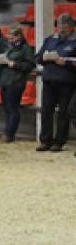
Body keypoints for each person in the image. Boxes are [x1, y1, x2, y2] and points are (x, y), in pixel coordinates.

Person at [34, 13, 76, 152]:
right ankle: (45, 140)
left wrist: (66, 63)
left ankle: (59, 141)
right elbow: (38, 58)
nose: (61, 30)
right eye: (59, 27)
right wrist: (45, 58)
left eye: (64, 27)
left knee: (63, 113)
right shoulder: (50, 39)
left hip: (67, 81)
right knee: (46, 111)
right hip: (49, 80)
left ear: (71, 27)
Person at [0, 25, 35, 143]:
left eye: (12, 38)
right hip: (5, 80)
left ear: (18, 36)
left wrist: (15, 65)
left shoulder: (26, 48)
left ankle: (9, 133)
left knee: (13, 108)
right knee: (7, 108)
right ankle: (8, 132)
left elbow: (30, 65)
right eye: (8, 38)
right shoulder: (9, 48)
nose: (10, 40)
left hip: (16, 81)